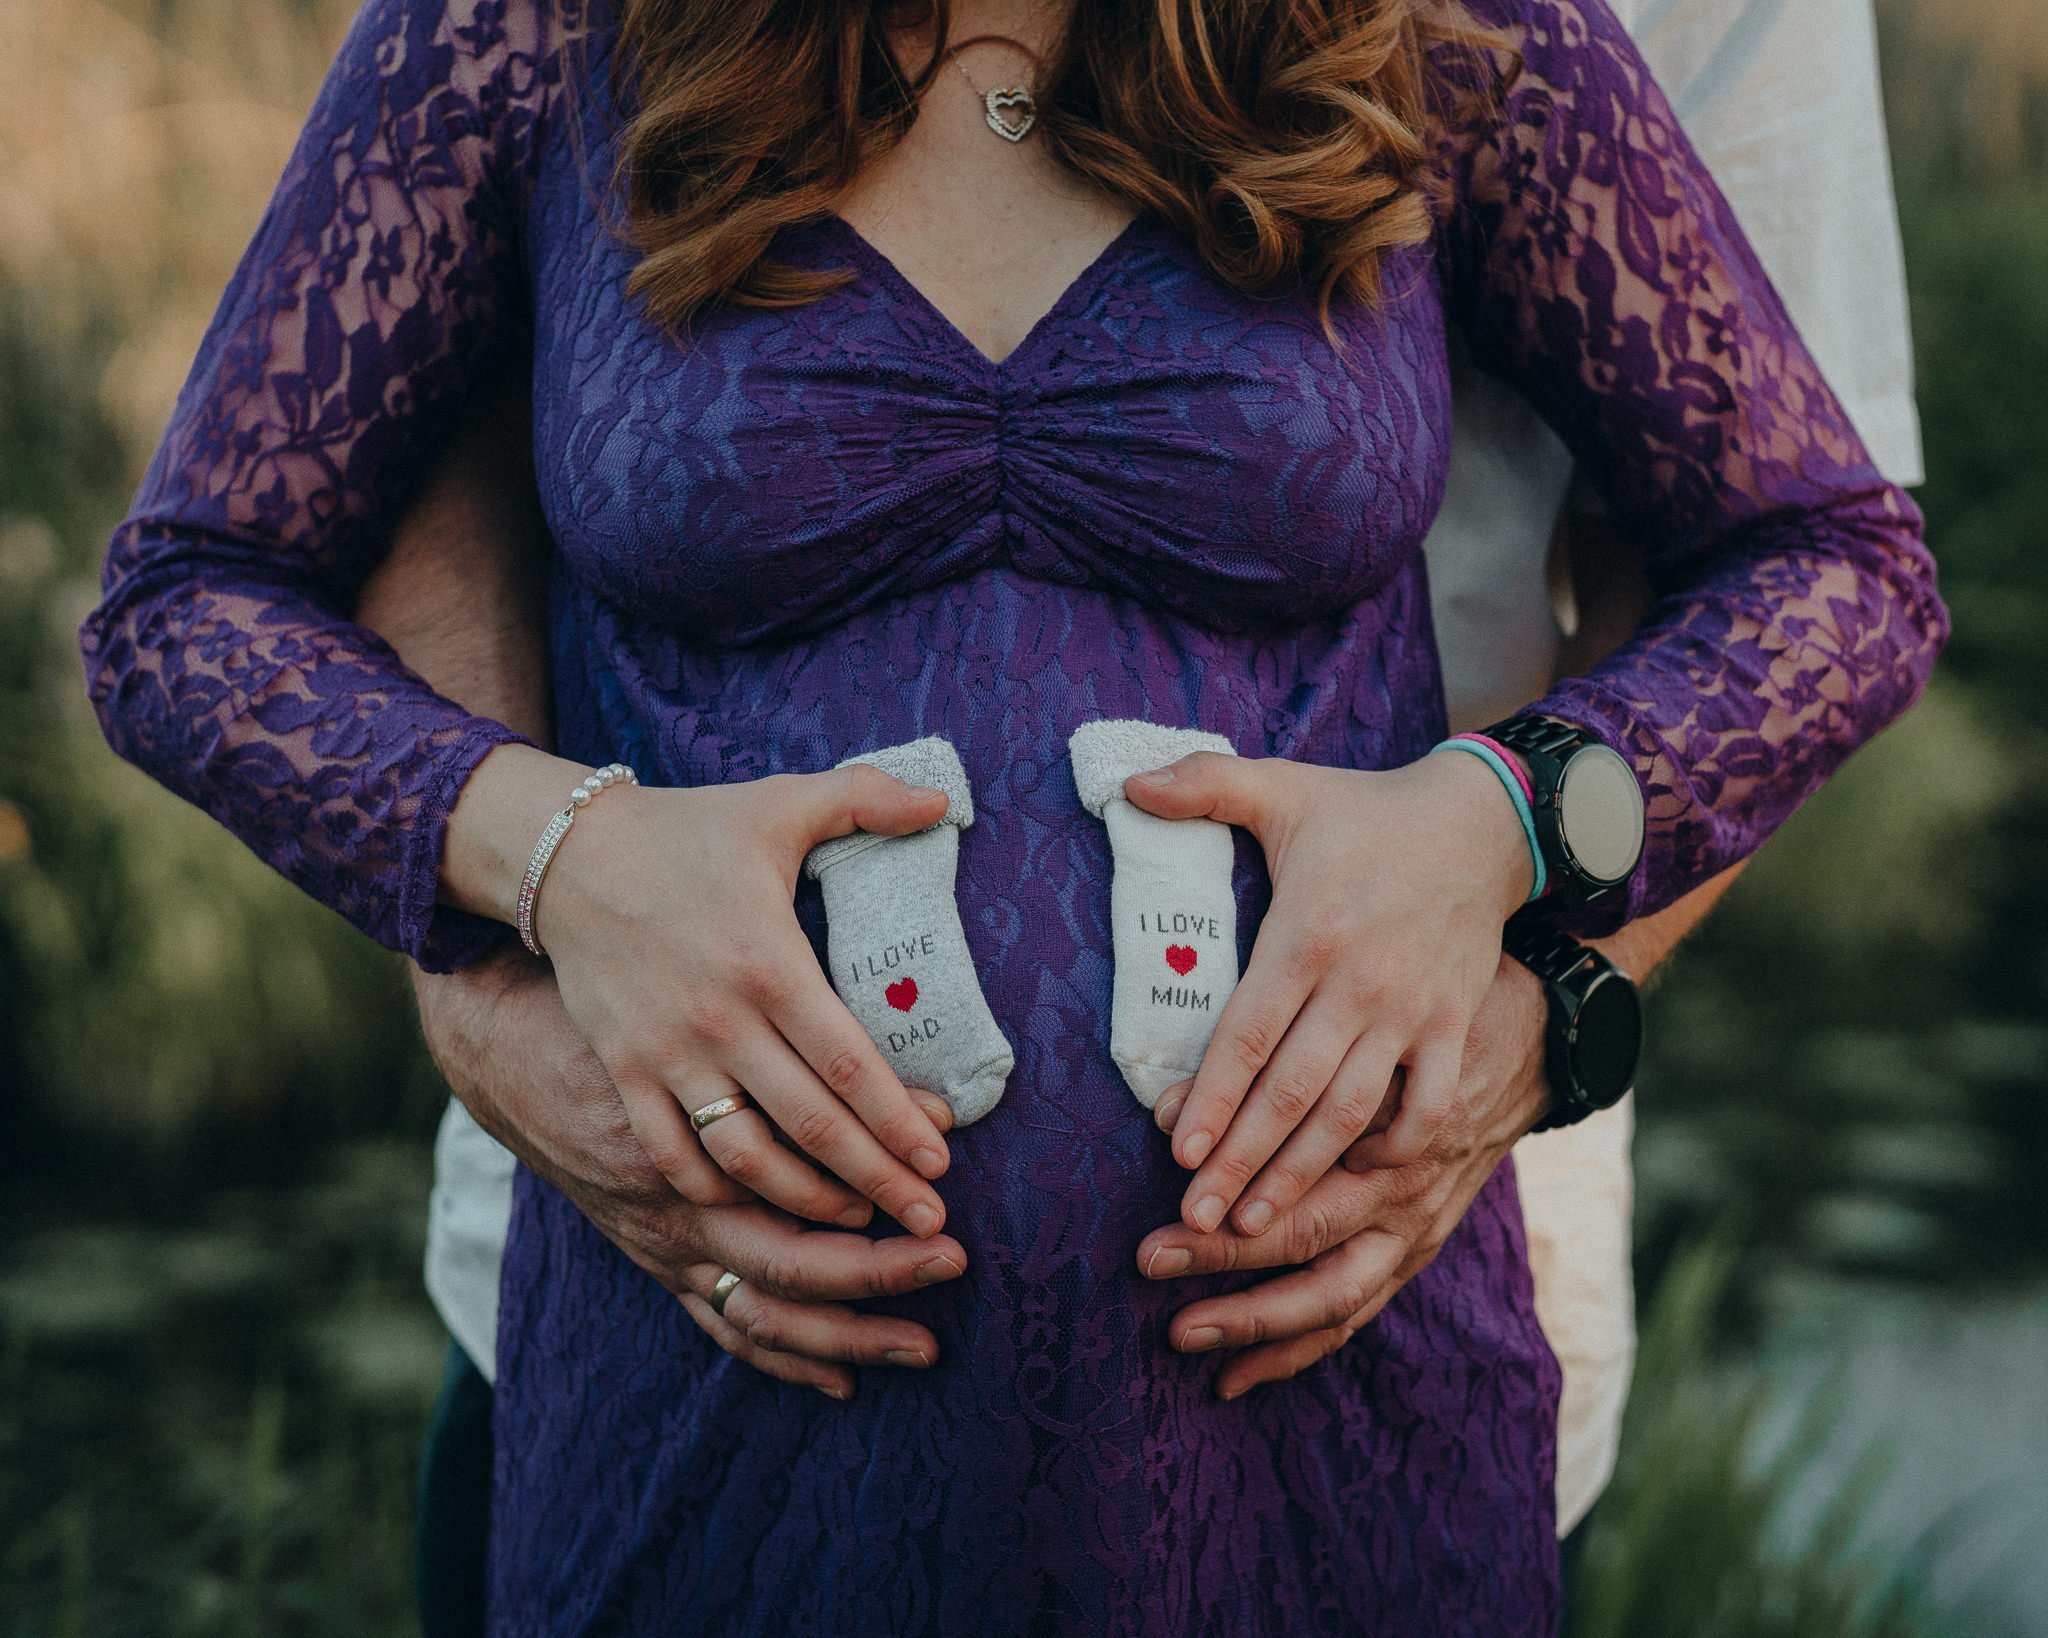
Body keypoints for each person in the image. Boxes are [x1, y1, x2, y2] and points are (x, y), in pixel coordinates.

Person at [82, 0, 1947, 1628]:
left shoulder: (1429, 29)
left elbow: (1831, 562)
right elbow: (191, 599)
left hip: (1322, 1415)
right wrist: (547, 853)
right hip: (712, 1404)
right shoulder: (535, 33)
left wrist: (1504, 822)